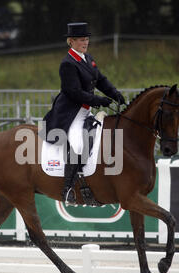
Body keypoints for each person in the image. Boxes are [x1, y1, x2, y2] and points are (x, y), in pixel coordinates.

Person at [42, 22, 125, 205]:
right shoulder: (67, 64)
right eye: (81, 40)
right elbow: (74, 92)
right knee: (79, 145)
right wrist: (99, 101)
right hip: (70, 113)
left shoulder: (88, 59)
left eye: (86, 39)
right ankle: (68, 189)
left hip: (85, 110)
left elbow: (101, 80)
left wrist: (115, 94)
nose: (85, 42)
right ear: (70, 42)